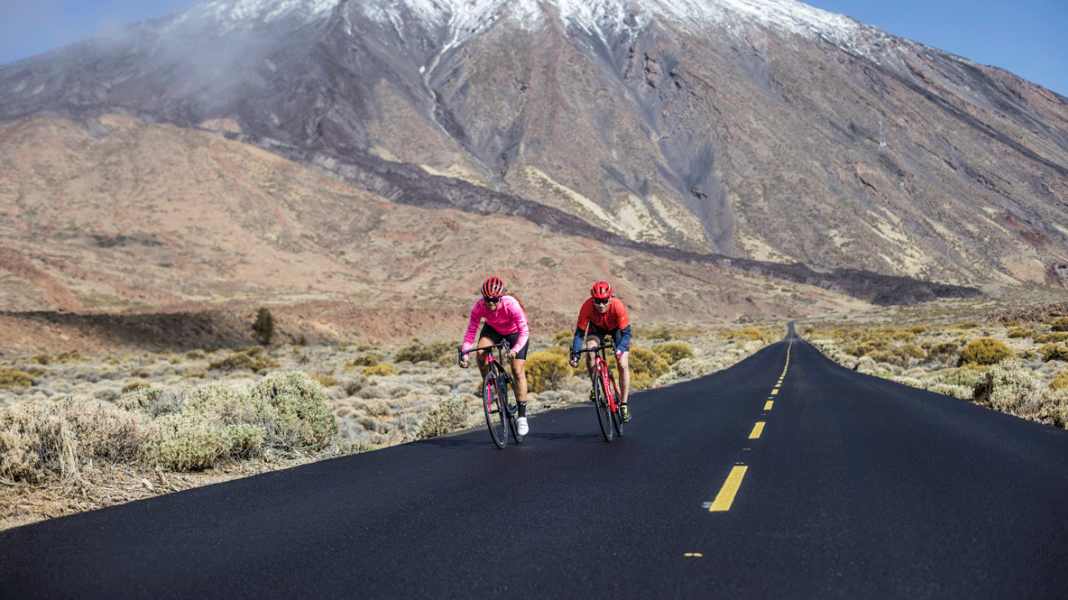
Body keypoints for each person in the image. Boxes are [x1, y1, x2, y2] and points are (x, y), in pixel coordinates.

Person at [459, 276, 532, 435]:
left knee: (517, 371)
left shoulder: (511, 304)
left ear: (501, 297)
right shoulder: (479, 307)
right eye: (487, 299)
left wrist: (515, 349)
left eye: (494, 300)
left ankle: (521, 416)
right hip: (493, 330)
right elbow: (471, 333)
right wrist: (464, 354)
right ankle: (490, 385)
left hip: (515, 333)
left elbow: (524, 331)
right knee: (480, 352)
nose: (491, 303)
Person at [569, 280, 632, 422]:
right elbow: (579, 333)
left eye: (604, 301)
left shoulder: (617, 306)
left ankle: (623, 404)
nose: (601, 305)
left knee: (622, 364)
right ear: (593, 299)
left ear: (610, 297)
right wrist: (575, 355)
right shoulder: (587, 307)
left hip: (617, 330)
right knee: (591, 352)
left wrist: (620, 349)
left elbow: (627, 334)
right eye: (597, 301)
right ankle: (596, 385)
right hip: (597, 329)